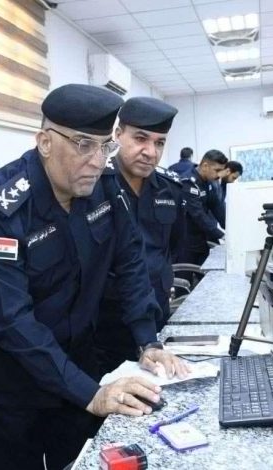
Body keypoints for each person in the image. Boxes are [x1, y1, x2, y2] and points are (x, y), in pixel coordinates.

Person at [0, 84, 189, 470]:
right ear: (45, 142)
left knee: (82, 460)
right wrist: (89, 393)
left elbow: (130, 262)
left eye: (105, 146)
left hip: (75, 361)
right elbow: (11, 320)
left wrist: (147, 341)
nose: (97, 160)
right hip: (8, 380)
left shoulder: (104, 185)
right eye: (83, 145)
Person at [94, 97, 186, 375]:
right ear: (117, 134)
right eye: (140, 139)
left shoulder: (170, 189)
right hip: (105, 323)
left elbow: (172, 247)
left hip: (156, 314)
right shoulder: (94, 186)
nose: (150, 152)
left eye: (159, 143)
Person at [179, 149, 228, 265]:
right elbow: (198, 215)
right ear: (205, 166)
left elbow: (217, 207)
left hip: (201, 238)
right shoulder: (188, 182)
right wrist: (222, 235)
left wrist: (231, 228)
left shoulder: (208, 181)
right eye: (217, 170)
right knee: (186, 275)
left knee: (206, 271)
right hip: (186, 242)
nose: (219, 175)